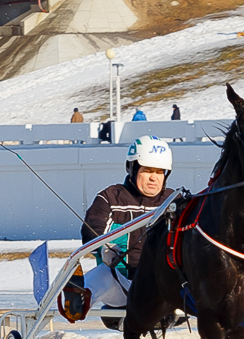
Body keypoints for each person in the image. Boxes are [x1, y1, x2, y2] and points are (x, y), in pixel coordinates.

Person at [60, 136, 174, 324]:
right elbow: (92, 229)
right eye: (147, 170)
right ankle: (78, 300)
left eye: (159, 172)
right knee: (103, 274)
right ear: (132, 168)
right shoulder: (111, 197)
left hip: (164, 286)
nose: (154, 177)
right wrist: (104, 249)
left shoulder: (174, 202)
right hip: (123, 284)